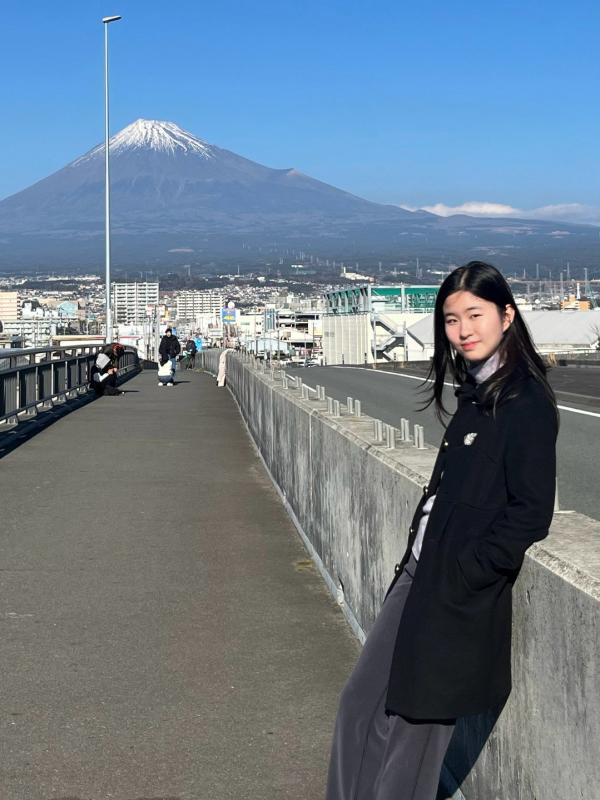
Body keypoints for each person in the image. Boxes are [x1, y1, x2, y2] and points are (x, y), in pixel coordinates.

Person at [326, 261, 559, 800]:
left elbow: (531, 512)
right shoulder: (475, 395)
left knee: (415, 729)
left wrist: (466, 573)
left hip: (454, 592)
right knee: (360, 706)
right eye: (452, 320)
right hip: (418, 574)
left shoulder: (524, 402)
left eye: (475, 315)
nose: (463, 330)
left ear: (507, 314)